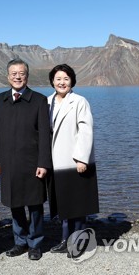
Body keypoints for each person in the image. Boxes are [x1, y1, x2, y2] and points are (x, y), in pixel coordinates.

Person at [0, 58, 52, 261]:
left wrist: (44, 163)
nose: (18, 77)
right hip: (8, 162)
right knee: (14, 203)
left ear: (27, 76)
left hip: (32, 162)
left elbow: (45, 134)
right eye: (14, 73)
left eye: (22, 73)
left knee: (34, 204)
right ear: (8, 76)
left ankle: (35, 243)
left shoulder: (38, 100)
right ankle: (20, 242)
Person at [46, 64, 99, 255]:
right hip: (55, 162)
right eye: (58, 78)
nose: (62, 82)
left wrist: (82, 159)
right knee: (63, 204)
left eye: (66, 79)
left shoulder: (79, 101)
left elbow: (86, 130)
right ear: (52, 81)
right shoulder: (47, 101)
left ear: (72, 81)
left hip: (74, 161)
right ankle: (64, 239)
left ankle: (79, 241)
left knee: (78, 204)